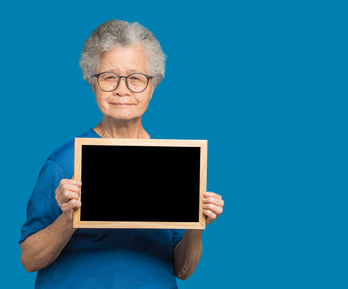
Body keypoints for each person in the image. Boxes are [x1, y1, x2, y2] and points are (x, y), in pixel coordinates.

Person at [19, 20, 224, 289]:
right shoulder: (64, 162)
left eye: (136, 78)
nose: (122, 89)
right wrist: (68, 218)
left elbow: (183, 270)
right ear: (93, 83)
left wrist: (198, 223)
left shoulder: (174, 164)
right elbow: (29, 260)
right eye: (109, 77)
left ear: (153, 86)